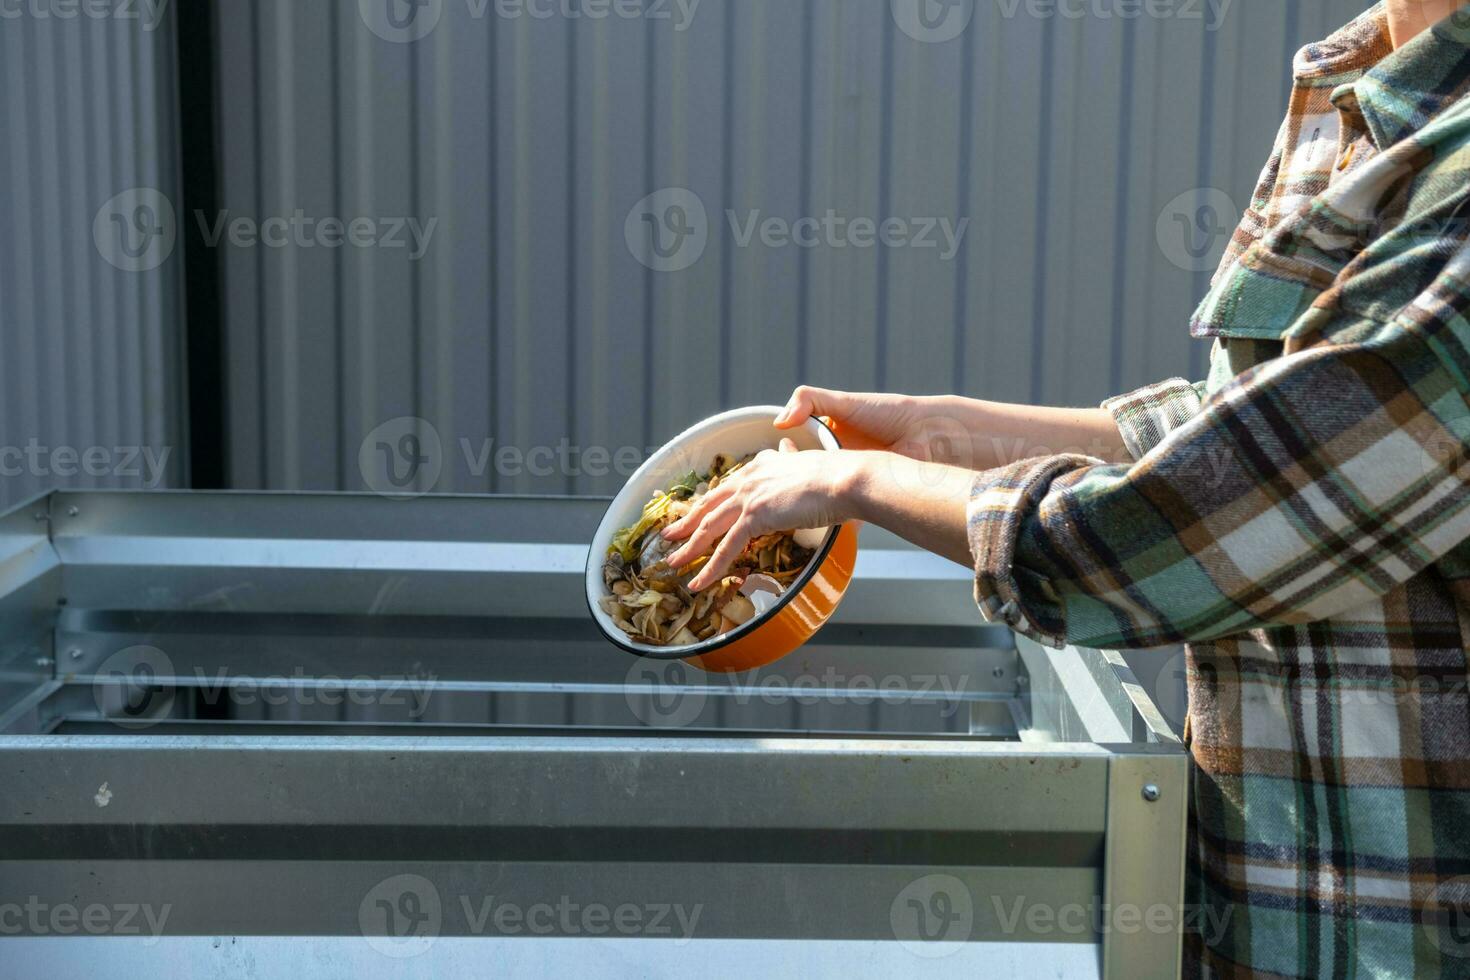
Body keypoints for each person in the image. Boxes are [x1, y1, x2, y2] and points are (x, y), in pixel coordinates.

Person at [665, 2, 1470, 975]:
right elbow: (1249, 425)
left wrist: (864, 477)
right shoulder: (1356, 71)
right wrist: (948, 429)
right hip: (1264, 897)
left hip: (1395, 927)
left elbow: (1173, 534)